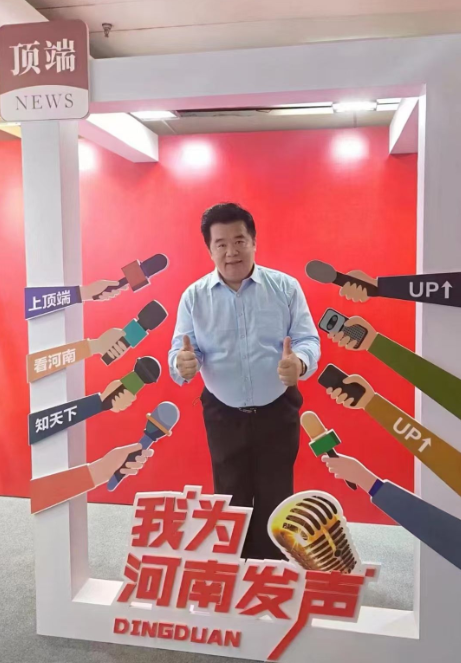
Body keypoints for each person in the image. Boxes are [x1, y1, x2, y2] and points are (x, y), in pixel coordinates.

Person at [168, 202, 320, 559]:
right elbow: (183, 350)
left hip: (277, 408)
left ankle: (270, 572)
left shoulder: (285, 288)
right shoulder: (194, 297)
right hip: (223, 413)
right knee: (229, 496)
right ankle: (234, 573)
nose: (231, 252)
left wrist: (299, 362)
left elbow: (308, 339)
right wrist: (183, 363)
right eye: (220, 244)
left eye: (239, 241)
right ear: (209, 249)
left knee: (276, 495)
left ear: (254, 242)